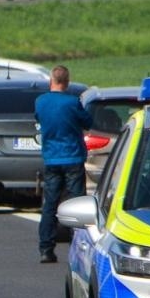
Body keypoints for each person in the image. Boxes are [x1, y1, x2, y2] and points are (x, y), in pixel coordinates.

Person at [34, 65, 89, 263]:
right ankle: (80, 245)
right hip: (73, 157)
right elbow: (87, 122)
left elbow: (39, 118)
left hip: (51, 158)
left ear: (51, 80)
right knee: (77, 205)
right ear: (67, 82)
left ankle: (46, 248)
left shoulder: (41, 102)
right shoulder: (73, 102)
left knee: (50, 204)